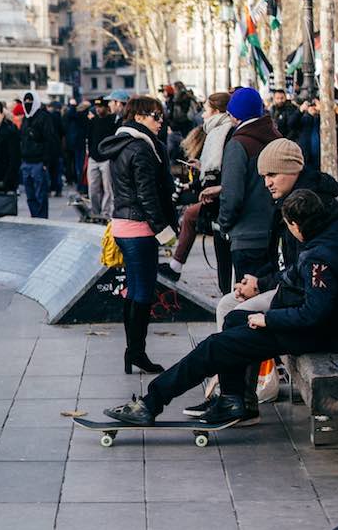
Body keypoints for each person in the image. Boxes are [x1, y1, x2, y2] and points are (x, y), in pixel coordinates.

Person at [104, 189, 338, 426]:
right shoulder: (330, 237)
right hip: (314, 326)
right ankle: (232, 400)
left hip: (316, 334)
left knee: (216, 346)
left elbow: (315, 314)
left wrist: (268, 320)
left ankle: (151, 403)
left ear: (296, 225)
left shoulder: (320, 258)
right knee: (235, 319)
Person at [98, 95, 177, 374]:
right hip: (139, 228)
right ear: (140, 117)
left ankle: (133, 353)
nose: (160, 122)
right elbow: (147, 195)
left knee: (134, 289)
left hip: (123, 225)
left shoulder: (123, 143)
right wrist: (164, 231)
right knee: (143, 292)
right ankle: (136, 353)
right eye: (155, 116)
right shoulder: (141, 148)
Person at [159, 92, 233, 281]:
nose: (203, 114)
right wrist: (201, 168)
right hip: (216, 192)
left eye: (206, 110)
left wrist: (208, 184)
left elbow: (222, 167)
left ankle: (176, 266)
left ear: (216, 111)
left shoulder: (223, 133)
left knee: (192, 215)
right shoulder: (217, 131)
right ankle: (176, 265)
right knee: (192, 215)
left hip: (222, 196)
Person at [219, 87, 281, 283]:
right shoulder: (277, 138)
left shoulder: (238, 144)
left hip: (246, 234)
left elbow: (233, 194)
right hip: (273, 231)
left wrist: (223, 223)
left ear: (235, 115)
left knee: (244, 299)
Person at [87, 92, 125, 218]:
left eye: (101, 107)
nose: (98, 109)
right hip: (93, 158)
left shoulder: (112, 121)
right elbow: (89, 138)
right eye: (96, 107)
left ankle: (105, 213)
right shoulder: (93, 121)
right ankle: (95, 212)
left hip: (106, 159)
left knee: (108, 188)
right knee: (93, 188)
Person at [18, 91, 53, 219]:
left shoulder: (44, 117)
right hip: (26, 162)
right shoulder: (25, 119)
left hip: (38, 162)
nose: (28, 104)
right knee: (30, 195)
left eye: (30, 102)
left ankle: (42, 218)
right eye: (25, 102)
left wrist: (45, 162)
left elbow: (50, 140)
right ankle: (35, 217)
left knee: (40, 194)